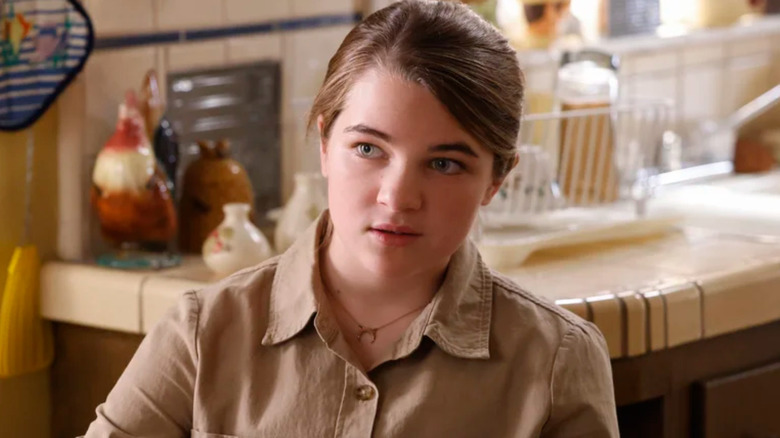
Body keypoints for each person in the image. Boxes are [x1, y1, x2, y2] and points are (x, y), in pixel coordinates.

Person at [84, 1, 619, 436]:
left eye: (443, 163)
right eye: (368, 149)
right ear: (323, 144)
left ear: (496, 179)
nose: (398, 196)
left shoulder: (557, 359)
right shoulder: (203, 335)